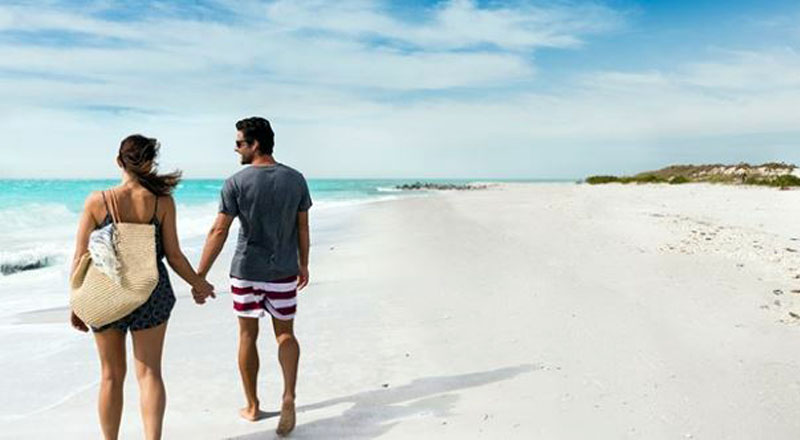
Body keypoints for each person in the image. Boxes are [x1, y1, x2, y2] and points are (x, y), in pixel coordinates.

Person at [70, 134, 214, 440]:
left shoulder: (98, 201)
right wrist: (199, 283)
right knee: (149, 373)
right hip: (152, 293)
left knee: (110, 376)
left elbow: (80, 256)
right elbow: (174, 256)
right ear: (150, 163)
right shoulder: (162, 201)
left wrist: (77, 302)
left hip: (106, 293)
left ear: (119, 161)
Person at [193, 116, 311, 436]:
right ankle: (288, 396)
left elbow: (219, 231)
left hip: (246, 271)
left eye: (240, 143)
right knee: (285, 334)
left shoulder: (235, 182)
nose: (236, 148)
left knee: (247, 336)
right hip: (283, 270)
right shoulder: (296, 179)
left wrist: (200, 275)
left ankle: (253, 405)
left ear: (255, 144)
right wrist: (304, 263)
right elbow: (302, 227)